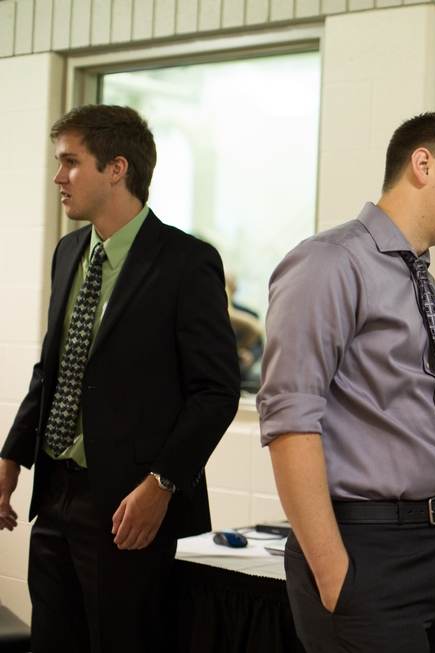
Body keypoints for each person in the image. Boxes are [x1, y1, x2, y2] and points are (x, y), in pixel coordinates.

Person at [258, 112, 435, 652]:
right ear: (423, 164)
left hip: (433, 547)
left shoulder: (431, 293)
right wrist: (334, 573)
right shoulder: (329, 264)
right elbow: (289, 421)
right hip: (362, 548)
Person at [0, 105, 240, 653]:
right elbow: (54, 370)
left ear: (116, 168)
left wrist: (162, 483)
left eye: (70, 163)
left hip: (131, 510)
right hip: (56, 498)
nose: (59, 178)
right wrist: (12, 456)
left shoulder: (186, 262)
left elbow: (216, 392)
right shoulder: (68, 253)